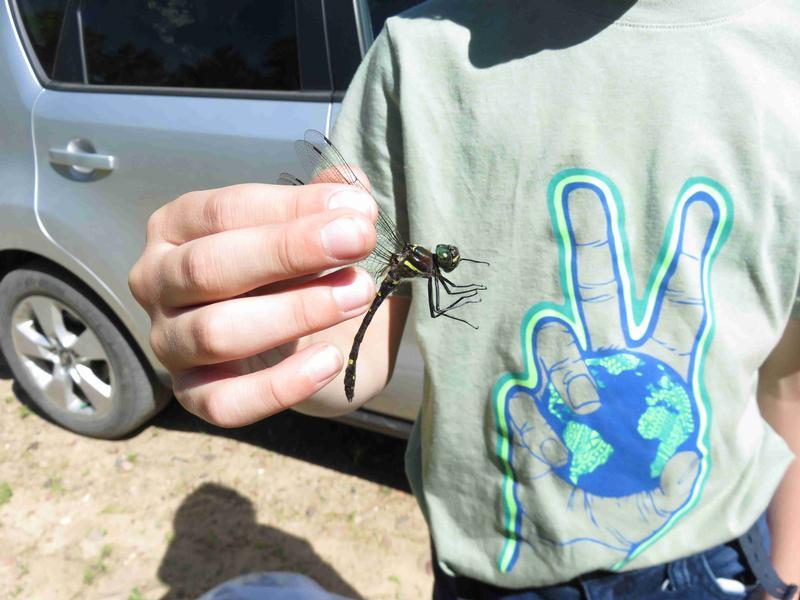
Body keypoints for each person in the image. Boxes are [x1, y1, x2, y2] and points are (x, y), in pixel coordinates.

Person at [128, 1, 800, 597]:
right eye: (443, 256)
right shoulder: (412, 55)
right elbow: (335, 350)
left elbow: (790, 389)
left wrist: (791, 573)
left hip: (715, 560)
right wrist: (258, 335)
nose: (446, 258)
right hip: (483, 569)